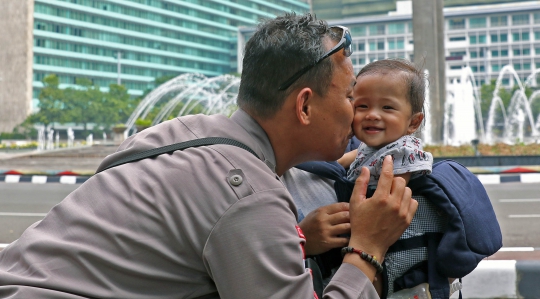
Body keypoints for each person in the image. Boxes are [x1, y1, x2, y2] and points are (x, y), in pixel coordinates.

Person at [0, 13, 418, 298]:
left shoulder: (178, 133)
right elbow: (236, 215)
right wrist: (367, 248)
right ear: (305, 106)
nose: (358, 112)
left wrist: (298, 241)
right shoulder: (249, 194)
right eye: (349, 96)